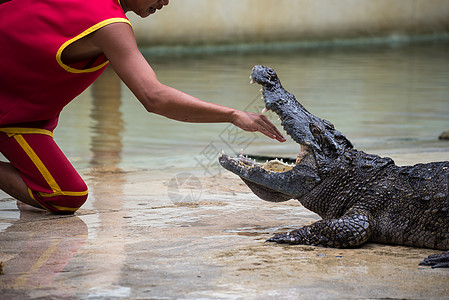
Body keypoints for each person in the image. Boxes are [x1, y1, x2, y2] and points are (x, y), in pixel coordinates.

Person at [0, 0, 285, 214]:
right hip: (12, 114)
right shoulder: (110, 25)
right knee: (65, 195)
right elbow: (154, 97)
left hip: (27, 115)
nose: (166, 1)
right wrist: (233, 114)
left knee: (56, 190)